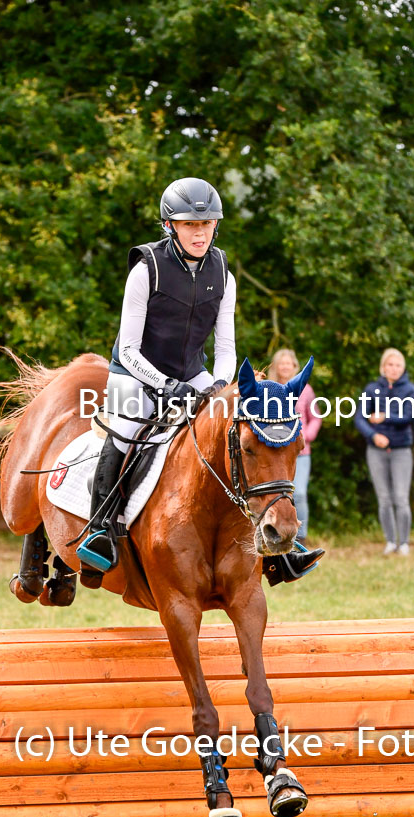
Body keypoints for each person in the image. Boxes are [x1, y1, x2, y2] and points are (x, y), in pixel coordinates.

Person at [76, 177, 320, 583]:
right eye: (190, 224)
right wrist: (165, 386)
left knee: (238, 427)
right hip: (135, 373)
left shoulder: (224, 273)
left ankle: (275, 550)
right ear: (170, 225)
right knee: (125, 429)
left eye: (206, 225)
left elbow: (226, 347)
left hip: (194, 372)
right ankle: (100, 530)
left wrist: (219, 385)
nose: (199, 233)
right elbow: (131, 349)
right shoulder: (145, 269)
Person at [354, 347, 414, 555]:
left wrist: (384, 416)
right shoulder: (371, 389)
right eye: (390, 364)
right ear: (383, 367)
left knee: (401, 497)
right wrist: (374, 436)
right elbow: (359, 418)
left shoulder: (411, 391)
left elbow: (408, 416)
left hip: (401, 450)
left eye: (398, 364)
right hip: (376, 451)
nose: (394, 368)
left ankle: (405, 542)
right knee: (384, 498)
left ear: (403, 368)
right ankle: (390, 541)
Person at [269, 348, 321, 544]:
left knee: (298, 493)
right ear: (276, 366)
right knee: (274, 495)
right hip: (274, 453)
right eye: (281, 363)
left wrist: (306, 436)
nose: (284, 366)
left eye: (288, 363)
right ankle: (275, 534)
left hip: (301, 453)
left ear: (294, 366)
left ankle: (301, 537)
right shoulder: (269, 389)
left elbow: (315, 417)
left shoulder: (305, 390)